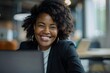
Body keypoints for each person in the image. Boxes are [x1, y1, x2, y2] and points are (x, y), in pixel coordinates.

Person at [18, 0, 85, 73]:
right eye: (41, 25)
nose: (46, 31)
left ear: (58, 30)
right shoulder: (25, 48)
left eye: (52, 27)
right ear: (34, 27)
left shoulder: (66, 49)